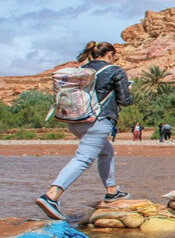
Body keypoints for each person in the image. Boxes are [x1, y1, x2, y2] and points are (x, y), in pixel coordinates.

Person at [36, 41, 132, 220]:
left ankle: (112, 191)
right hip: (98, 121)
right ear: (110, 54)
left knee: (106, 151)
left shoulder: (81, 71)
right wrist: (128, 89)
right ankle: (52, 195)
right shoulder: (115, 71)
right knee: (83, 158)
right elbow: (125, 100)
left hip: (74, 121)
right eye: (114, 55)